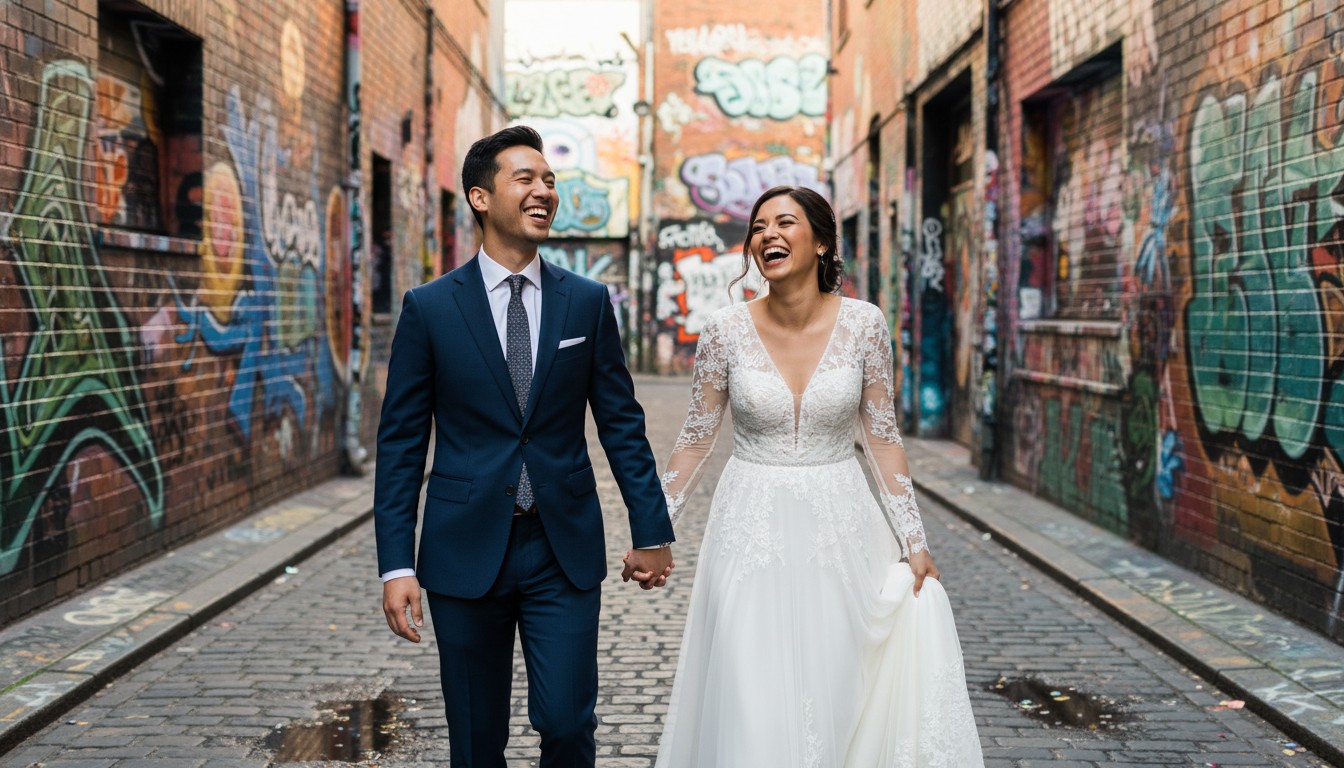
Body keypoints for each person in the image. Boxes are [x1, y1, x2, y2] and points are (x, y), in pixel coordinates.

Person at [632, 185, 984, 767]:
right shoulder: (723, 331)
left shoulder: (865, 325)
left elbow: (883, 438)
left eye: (786, 223)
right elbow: (695, 439)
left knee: (841, 680)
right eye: (759, 226)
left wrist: (914, 542)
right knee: (750, 689)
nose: (768, 234)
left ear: (821, 241)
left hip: (843, 524)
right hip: (750, 527)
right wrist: (655, 529)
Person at [374, 124, 675, 768]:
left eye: (550, 181)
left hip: (559, 549)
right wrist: (396, 565)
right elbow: (401, 443)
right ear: (481, 198)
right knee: (477, 742)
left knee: (568, 725)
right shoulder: (429, 308)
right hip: (463, 552)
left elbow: (620, 422)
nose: (544, 192)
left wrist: (651, 527)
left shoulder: (587, 303)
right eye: (526, 179)